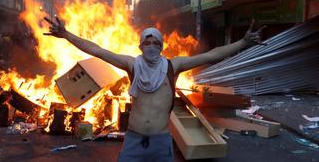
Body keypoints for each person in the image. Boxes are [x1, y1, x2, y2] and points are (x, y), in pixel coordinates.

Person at [44, 17, 265, 162]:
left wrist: (243, 43)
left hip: (161, 143)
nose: (151, 46)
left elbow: (211, 55)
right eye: (146, 42)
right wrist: (67, 35)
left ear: (161, 46)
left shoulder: (173, 66)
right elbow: (98, 50)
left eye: (155, 42)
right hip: (133, 141)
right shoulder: (132, 65)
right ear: (140, 46)